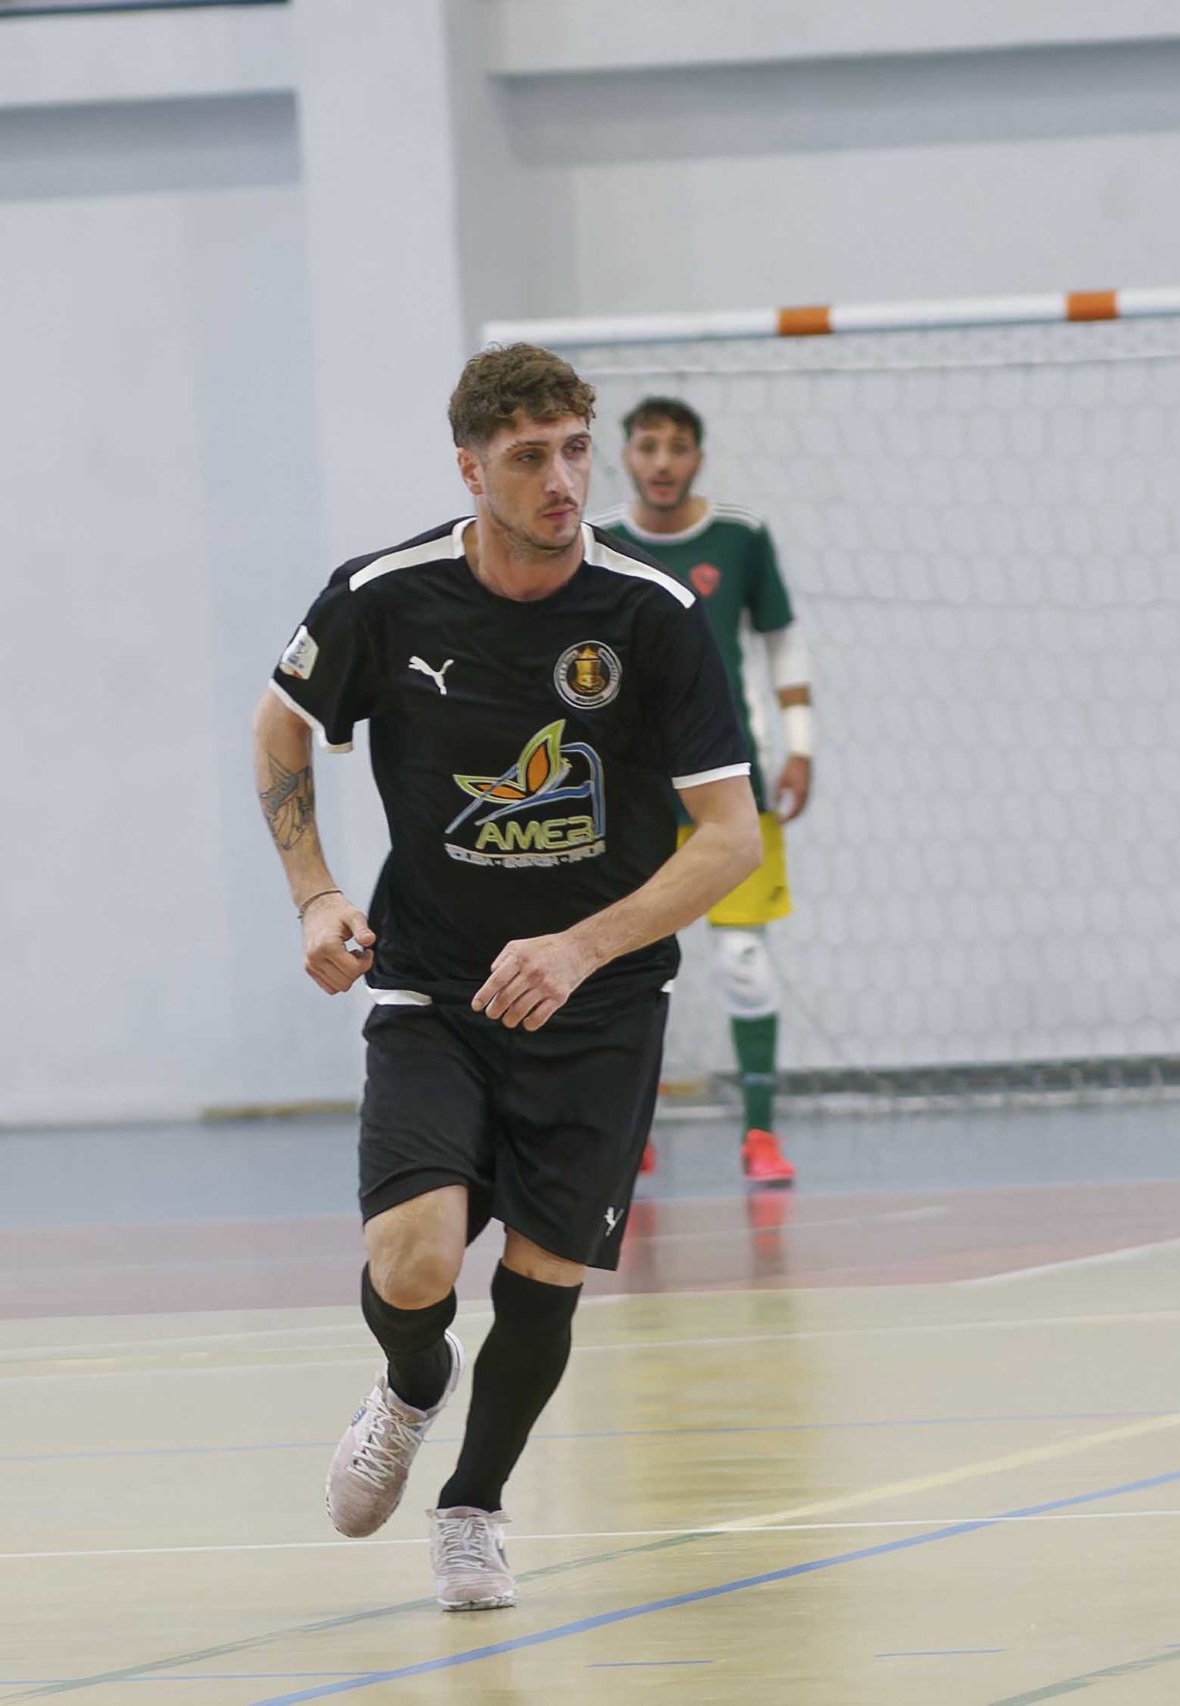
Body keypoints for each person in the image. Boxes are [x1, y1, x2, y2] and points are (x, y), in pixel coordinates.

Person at [250, 344, 759, 1611]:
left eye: (575, 449)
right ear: (471, 470)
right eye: (530, 457)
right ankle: (411, 1384)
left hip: (600, 1002)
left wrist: (582, 945)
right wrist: (315, 893)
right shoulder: (385, 595)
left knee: (542, 1278)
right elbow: (280, 724)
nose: (562, 480)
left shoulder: (652, 613)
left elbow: (730, 840)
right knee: (412, 1258)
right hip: (435, 983)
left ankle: (470, 1507)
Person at [594, 397, 813, 1187]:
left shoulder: (739, 538)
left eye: (678, 447)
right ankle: (632, 1132)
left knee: (743, 960)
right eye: (648, 446)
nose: (662, 462)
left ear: (698, 457)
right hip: (631, 792)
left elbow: (781, 641)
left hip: (729, 784)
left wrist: (800, 746)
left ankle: (760, 1133)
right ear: (625, 455)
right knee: (625, 962)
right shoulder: (595, 542)